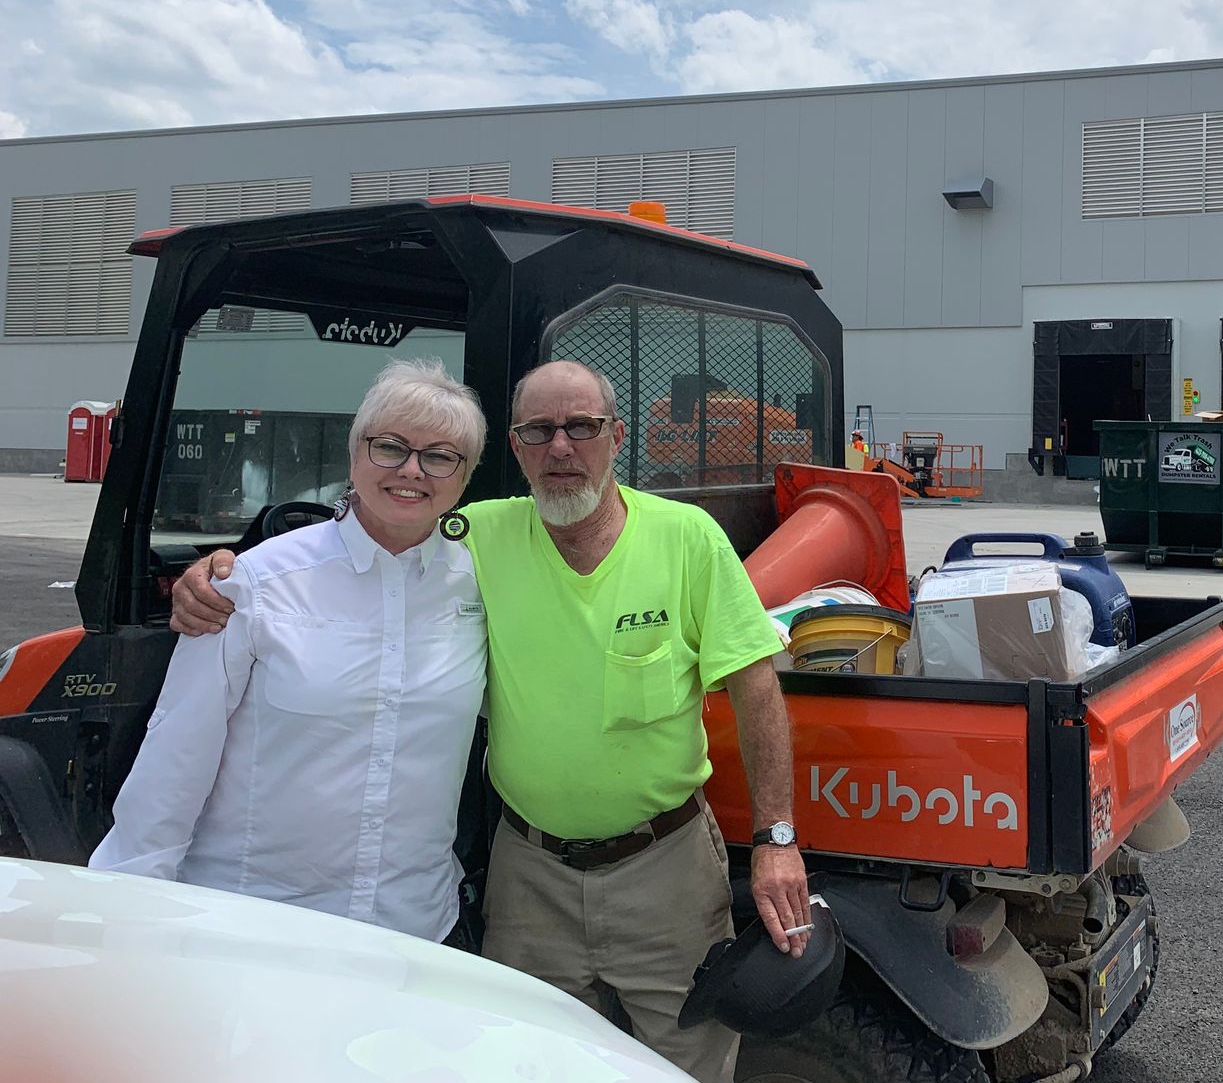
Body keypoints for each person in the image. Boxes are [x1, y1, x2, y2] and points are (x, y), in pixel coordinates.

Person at [173, 359, 809, 1083]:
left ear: (616, 437)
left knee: (686, 1060)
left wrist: (775, 840)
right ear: (515, 447)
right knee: (526, 1057)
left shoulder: (686, 539)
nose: (561, 448)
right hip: (528, 874)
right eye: (538, 431)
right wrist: (227, 568)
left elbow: (756, 687)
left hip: (663, 870)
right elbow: (378, 525)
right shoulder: (474, 535)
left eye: (581, 427)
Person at [95, 358, 488, 946]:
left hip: (414, 928)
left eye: (440, 456)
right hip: (260, 923)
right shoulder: (257, 582)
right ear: (355, 454)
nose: (412, 470)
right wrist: (130, 909)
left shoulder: (480, 586)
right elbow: (176, 752)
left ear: (465, 477)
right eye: (391, 447)